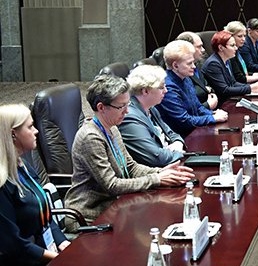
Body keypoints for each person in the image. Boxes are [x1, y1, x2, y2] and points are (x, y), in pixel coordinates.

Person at [64, 76, 194, 227]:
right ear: (101, 107)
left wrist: (161, 172)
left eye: (128, 104)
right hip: (91, 217)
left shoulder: (112, 127)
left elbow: (130, 167)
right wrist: (157, 179)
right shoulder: (90, 137)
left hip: (118, 206)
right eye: (121, 107)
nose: (127, 111)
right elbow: (112, 185)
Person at [0, 104, 69, 266]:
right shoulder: (2, 184)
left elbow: (44, 213)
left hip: (43, 255)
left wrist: (62, 242)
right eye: (30, 127)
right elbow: (13, 245)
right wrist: (55, 258)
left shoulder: (22, 165)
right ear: (13, 135)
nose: (36, 131)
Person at [118, 65, 186, 167]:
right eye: (161, 87)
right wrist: (178, 152)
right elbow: (156, 158)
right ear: (145, 91)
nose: (166, 90)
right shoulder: (129, 118)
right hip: (154, 171)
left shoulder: (151, 108)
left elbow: (171, 134)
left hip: (168, 163)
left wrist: (178, 142)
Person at [157, 40, 228, 137]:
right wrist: (213, 118)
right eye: (189, 63)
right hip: (181, 137)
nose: (194, 67)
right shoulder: (168, 88)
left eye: (193, 62)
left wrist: (213, 113)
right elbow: (183, 121)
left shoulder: (185, 78)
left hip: (194, 131)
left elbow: (197, 107)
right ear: (175, 65)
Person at [202, 31, 258, 100]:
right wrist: (249, 88)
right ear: (221, 48)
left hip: (230, 98)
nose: (236, 48)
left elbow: (233, 83)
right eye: (232, 45)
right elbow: (224, 90)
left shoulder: (227, 60)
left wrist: (252, 86)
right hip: (221, 102)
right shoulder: (213, 64)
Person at [175, 31, 218, 110]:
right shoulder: (180, 71)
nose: (203, 50)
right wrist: (208, 105)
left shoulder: (196, 63)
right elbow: (187, 109)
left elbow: (208, 86)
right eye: (199, 47)